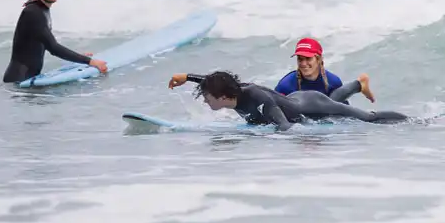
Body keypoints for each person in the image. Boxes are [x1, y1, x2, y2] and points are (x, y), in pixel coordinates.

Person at [168, 70, 409, 132]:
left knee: (367, 118)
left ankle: (415, 120)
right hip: (297, 99)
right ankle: (358, 84)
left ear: (222, 97)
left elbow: (285, 126)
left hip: (312, 105)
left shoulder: (257, 99)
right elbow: (215, 80)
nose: (205, 101)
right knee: (336, 102)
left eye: (208, 97)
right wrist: (187, 77)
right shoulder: (230, 91)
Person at [2, 0, 108, 83]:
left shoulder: (42, 10)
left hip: (28, 80)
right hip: (18, 82)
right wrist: (90, 62)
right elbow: (53, 48)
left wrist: (78, 57)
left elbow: (47, 44)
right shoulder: (33, 13)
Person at [274, 37, 376, 104]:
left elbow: (344, 113)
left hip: (323, 116)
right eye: (300, 59)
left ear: (319, 60)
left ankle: (359, 85)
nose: (303, 64)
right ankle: (358, 85)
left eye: (308, 59)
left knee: (329, 105)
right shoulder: (286, 85)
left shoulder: (333, 82)